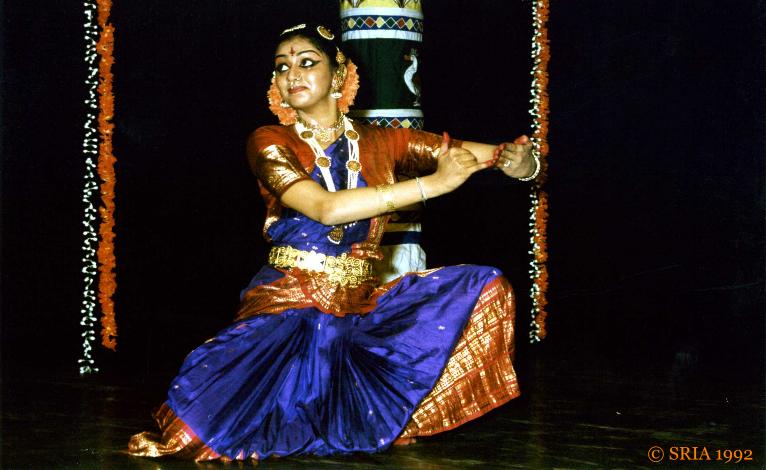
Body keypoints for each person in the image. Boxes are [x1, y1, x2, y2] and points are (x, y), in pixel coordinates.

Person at [128, 23, 538, 462]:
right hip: (289, 300)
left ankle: (383, 410)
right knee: (207, 425)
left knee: (481, 286)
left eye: (307, 62)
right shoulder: (270, 141)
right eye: (281, 67)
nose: (292, 74)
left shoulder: (383, 141)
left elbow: (480, 154)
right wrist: (432, 185)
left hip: (357, 308)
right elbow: (324, 208)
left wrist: (519, 162)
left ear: (339, 75)